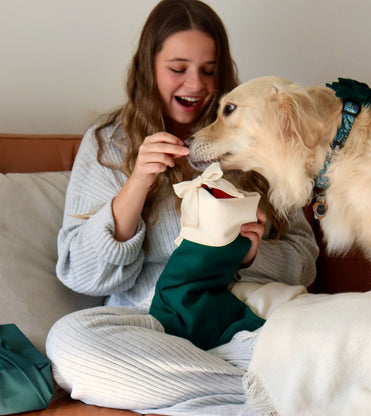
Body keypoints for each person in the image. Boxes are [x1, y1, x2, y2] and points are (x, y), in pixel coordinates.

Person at [46, 1, 318, 415]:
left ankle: (220, 396)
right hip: (150, 332)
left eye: (209, 71)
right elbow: (83, 275)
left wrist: (248, 254)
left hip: (239, 324)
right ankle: (263, 397)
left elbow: (305, 262)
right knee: (68, 342)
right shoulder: (108, 144)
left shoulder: (258, 139)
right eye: (178, 68)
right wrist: (137, 183)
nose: (196, 84)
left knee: (346, 330)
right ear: (147, 67)